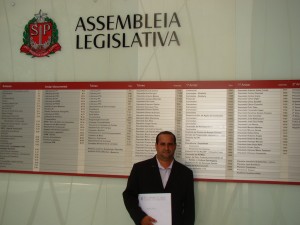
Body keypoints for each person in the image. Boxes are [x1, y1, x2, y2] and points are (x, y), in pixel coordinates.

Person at [123, 131, 195, 225]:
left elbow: (189, 208)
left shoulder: (186, 173)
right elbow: (129, 196)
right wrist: (140, 218)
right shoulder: (140, 169)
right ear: (156, 146)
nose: (166, 148)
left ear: (175, 146)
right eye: (162, 144)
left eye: (170, 144)